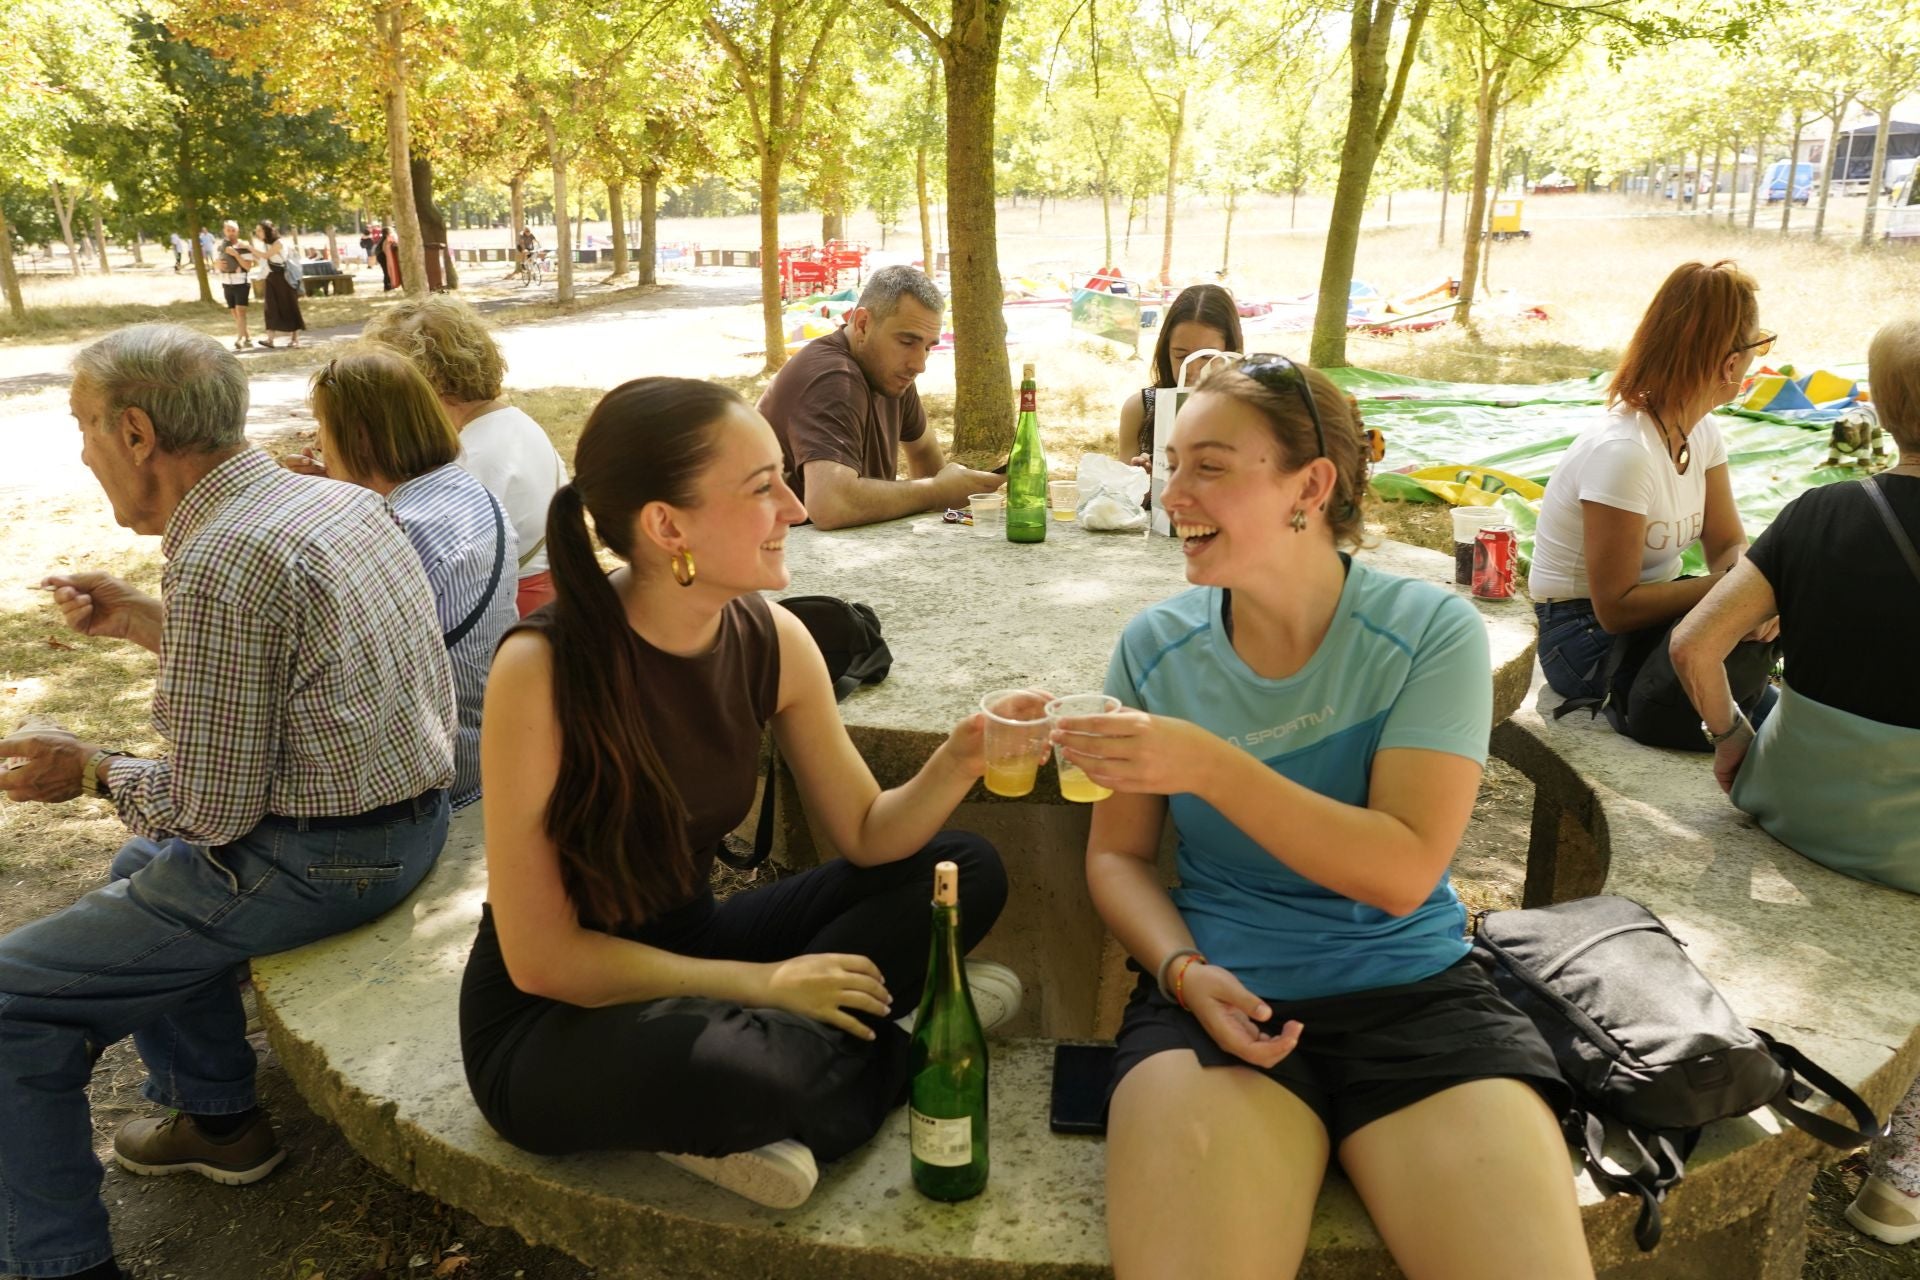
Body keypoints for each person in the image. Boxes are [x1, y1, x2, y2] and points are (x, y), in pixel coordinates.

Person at [1067, 356, 1591, 1278]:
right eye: (1170, 462)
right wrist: (1183, 973)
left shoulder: (1428, 632)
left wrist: (1210, 765)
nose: (1171, 493)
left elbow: (1401, 873)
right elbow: (1118, 859)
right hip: (1219, 1005)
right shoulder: (1155, 647)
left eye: (1209, 466)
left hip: (1415, 1000)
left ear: (1310, 487)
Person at [458, 376, 1018, 1209]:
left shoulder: (774, 637)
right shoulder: (541, 670)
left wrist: (960, 758)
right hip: (551, 1016)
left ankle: (791, 1078)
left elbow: (867, 833)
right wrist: (765, 986)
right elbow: (544, 960)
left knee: (963, 870)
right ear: (667, 526)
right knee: (732, 1066)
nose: (794, 507)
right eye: (762, 488)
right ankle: (897, 1047)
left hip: (698, 943)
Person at [0, 324, 456, 1280]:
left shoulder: (224, 554)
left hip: (322, 861)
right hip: (408, 827)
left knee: (10, 1004)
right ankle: (216, 1119)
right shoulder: (329, 502)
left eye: (84, 426)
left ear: (136, 433)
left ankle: (58, 1264)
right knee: (141, 865)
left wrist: (89, 768)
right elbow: (299, 667)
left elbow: (211, 812)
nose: (81, 452)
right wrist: (141, 619)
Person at [1670, 317, 1920, 1250]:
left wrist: (1730, 737)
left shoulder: (1821, 511)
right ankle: (1901, 1178)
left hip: (1793, 802)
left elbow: (1693, 643)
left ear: (1882, 409)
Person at [1528, 260, 1776, 711]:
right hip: (1580, 634)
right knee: (1761, 714)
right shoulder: (1625, 453)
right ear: (1730, 363)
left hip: (1655, 612)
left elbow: (1726, 542)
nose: (1758, 359)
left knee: (1773, 700)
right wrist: (1739, 591)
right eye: (1760, 345)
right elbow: (1616, 607)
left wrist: (1743, 596)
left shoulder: (1701, 432)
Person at [282, 346, 516, 810]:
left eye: (324, 427)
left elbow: (332, 671)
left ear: (360, 438)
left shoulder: (397, 528)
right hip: (483, 742)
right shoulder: (463, 489)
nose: (318, 441)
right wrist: (343, 490)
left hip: (436, 774)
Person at [361, 295, 567, 615]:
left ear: (422, 385)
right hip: (550, 596)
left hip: (513, 613)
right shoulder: (511, 422)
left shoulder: (470, 456)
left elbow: (412, 557)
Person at [757, 264, 1001, 529]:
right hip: (772, 548)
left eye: (928, 347)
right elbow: (829, 504)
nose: (919, 365)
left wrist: (946, 490)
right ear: (863, 325)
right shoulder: (833, 377)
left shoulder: (891, 374)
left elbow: (925, 456)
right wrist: (937, 491)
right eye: (907, 342)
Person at [1117, 283, 1245, 476]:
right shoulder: (1140, 409)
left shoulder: (1252, 413)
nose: (1192, 369)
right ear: (1166, 351)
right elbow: (1121, 490)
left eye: (1206, 357)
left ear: (1230, 351)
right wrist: (1142, 480)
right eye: (1181, 355)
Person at [253, 220, 307, 350]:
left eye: (260, 230)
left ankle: (295, 339)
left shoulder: (279, 243)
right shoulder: (265, 245)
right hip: (271, 277)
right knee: (270, 307)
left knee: (289, 306)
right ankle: (270, 339)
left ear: (267, 231)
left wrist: (249, 248)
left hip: (284, 278)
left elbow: (266, 256)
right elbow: (263, 259)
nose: (257, 233)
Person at [214, 220, 256, 350]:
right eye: (228, 230)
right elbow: (216, 263)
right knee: (235, 313)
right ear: (224, 231)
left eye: (233, 230)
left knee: (240, 311)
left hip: (241, 282)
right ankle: (247, 337)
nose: (231, 233)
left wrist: (236, 254)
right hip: (226, 283)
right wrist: (217, 265)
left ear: (237, 231)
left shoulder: (244, 246)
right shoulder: (220, 247)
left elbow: (248, 267)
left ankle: (240, 339)